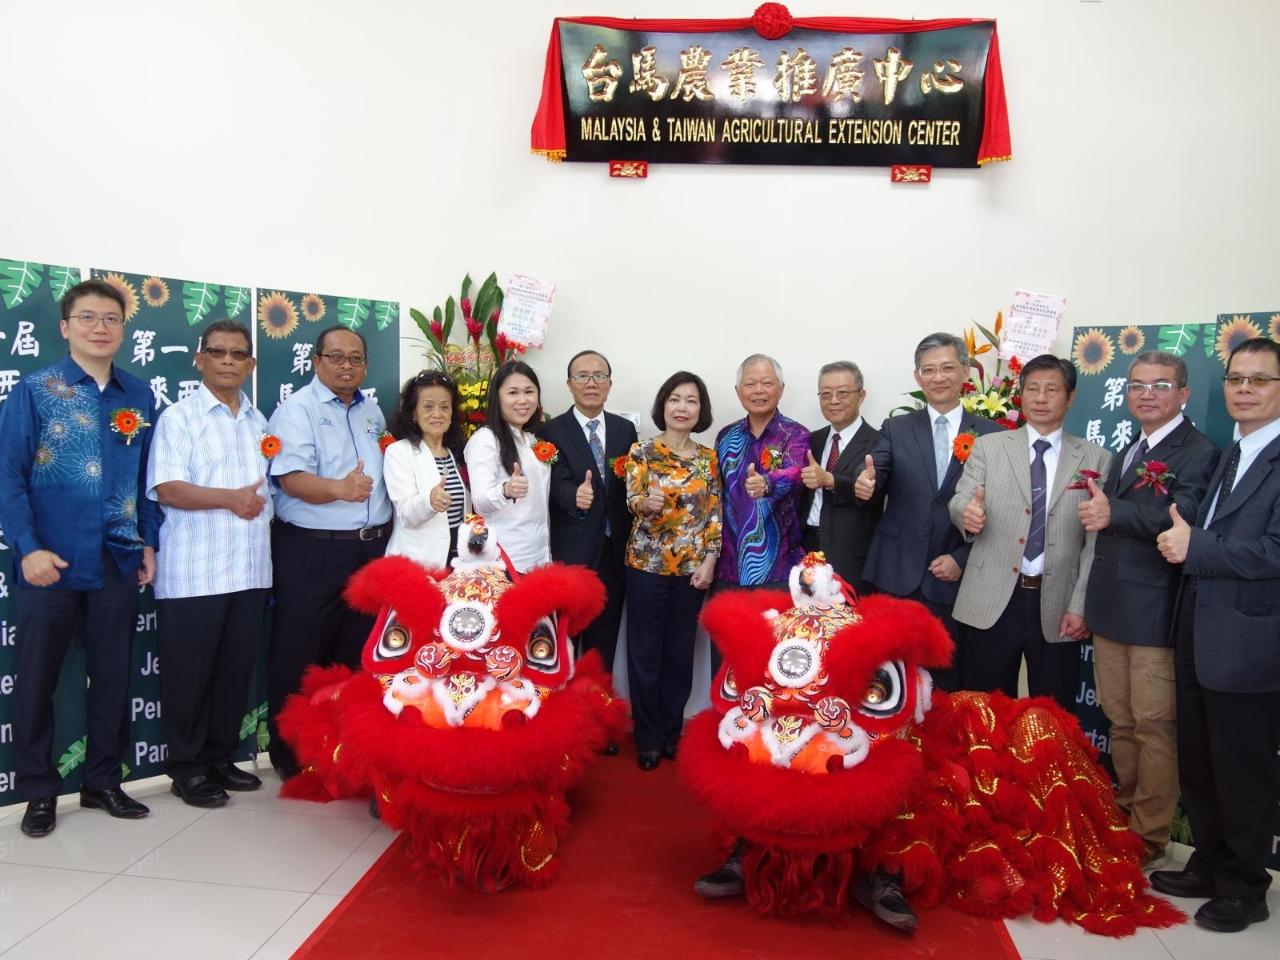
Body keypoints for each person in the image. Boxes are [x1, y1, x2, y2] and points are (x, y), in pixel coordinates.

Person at [0, 278, 160, 837]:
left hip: (117, 561)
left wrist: (148, 540)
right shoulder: (35, 389)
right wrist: (28, 548)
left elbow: (147, 481)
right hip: (50, 564)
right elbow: (9, 477)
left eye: (111, 319)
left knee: (113, 678)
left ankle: (102, 782)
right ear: (66, 328)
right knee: (37, 680)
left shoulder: (138, 395)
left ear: (124, 328)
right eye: (88, 318)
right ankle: (39, 792)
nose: (100, 328)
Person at [1150, 338, 1280, 933]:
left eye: (1261, 380)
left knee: (1241, 766)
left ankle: (1246, 886)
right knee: (1199, 758)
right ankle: (1210, 860)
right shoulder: (1233, 451)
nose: (1245, 389)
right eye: (1236, 378)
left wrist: (1195, 546)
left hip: (1250, 640)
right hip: (1198, 628)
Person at [1080, 350, 1218, 870]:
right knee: (1120, 721)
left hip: (1157, 609)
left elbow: (1186, 517)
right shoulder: (1129, 448)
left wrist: (1117, 511)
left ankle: (1150, 834)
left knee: (1155, 726)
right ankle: (1123, 815)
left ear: (1183, 394)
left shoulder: (1199, 451)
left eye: (1160, 385)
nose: (1145, 394)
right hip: (1112, 605)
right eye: (1137, 385)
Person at [147, 319, 272, 808]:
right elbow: (168, 487)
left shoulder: (259, 422)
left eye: (237, 354)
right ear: (199, 359)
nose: (227, 361)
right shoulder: (180, 418)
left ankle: (221, 758)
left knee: (233, 672)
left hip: (249, 568)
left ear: (251, 364)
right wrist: (230, 500)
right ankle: (186, 767)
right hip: (195, 572)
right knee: (190, 677)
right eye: (217, 352)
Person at [949, 354, 1111, 711]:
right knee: (984, 710)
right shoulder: (990, 447)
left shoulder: (1096, 458)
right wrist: (967, 514)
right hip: (992, 599)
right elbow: (961, 498)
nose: (1040, 398)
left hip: (1057, 604)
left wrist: (1080, 605)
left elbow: (1094, 544)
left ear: (1070, 397)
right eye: (1032, 389)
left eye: (1052, 389)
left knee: (1051, 716)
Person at [265, 325, 391, 779]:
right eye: (336, 357)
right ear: (316, 361)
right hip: (311, 550)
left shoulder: (372, 412)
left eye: (355, 358)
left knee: (354, 654)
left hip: (367, 551)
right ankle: (289, 753)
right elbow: (290, 478)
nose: (346, 366)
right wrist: (339, 489)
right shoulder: (296, 411)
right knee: (300, 651)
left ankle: (339, 745)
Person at [855, 333, 1000, 690]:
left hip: (953, 578)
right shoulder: (896, 428)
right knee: (886, 680)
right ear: (918, 377)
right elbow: (879, 470)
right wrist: (866, 484)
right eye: (929, 370)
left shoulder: (994, 435)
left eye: (948, 368)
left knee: (946, 680)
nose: (938, 377)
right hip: (897, 573)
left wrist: (962, 558)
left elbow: (1002, 512)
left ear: (965, 371)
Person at [624, 372, 720, 771]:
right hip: (646, 565)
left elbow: (714, 513)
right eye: (675, 399)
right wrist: (646, 502)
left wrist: (710, 558)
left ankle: (670, 731)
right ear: (663, 405)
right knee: (645, 652)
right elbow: (632, 499)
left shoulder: (707, 458)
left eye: (691, 401)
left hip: (692, 571)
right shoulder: (642, 451)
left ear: (701, 410)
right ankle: (647, 737)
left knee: (680, 655)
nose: (682, 408)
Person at [539, 350, 637, 703]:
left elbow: (631, 485)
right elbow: (553, 482)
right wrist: (572, 497)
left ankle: (599, 719)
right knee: (562, 643)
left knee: (603, 645)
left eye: (599, 376)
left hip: (614, 555)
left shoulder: (626, 429)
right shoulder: (549, 430)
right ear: (569, 384)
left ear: (610, 384)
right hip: (571, 554)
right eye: (582, 376)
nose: (591, 382)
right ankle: (561, 723)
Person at [715, 354, 809, 593]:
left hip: (778, 569)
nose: (758, 390)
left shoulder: (796, 434)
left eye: (767, 383)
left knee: (773, 632)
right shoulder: (726, 436)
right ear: (738, 391)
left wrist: (767, 483)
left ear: (781, 388)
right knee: (725, 631)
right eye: (750, 384)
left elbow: (796, 474)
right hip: (727, 567)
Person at [799, 361, 882, 595]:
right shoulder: (810, 440)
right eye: (826, 394)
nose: (833, 400)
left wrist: (829, 479)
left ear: (861, 395)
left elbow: (876, 495)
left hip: (851, 553)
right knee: (808, 624)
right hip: (808, 547)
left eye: (843, 393)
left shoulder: (879, 442)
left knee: (848, 626)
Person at [464, 360, 551, 573]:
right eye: (513, 393)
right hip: (507, 559)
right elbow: (480, 502)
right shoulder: (486, 439)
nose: (523, 400)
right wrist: (506, 490)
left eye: (529, 391)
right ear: (498, 397)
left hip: (540, 556)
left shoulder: (532, 441)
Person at [384, 371, 469, 568]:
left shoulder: (458, 452)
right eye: (428, 406)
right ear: (414, 412)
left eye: (445, 407)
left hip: (458, 561)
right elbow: (406, 514)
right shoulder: (399, 452)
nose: (437, 414)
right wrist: (429, 501)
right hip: (418, 563)